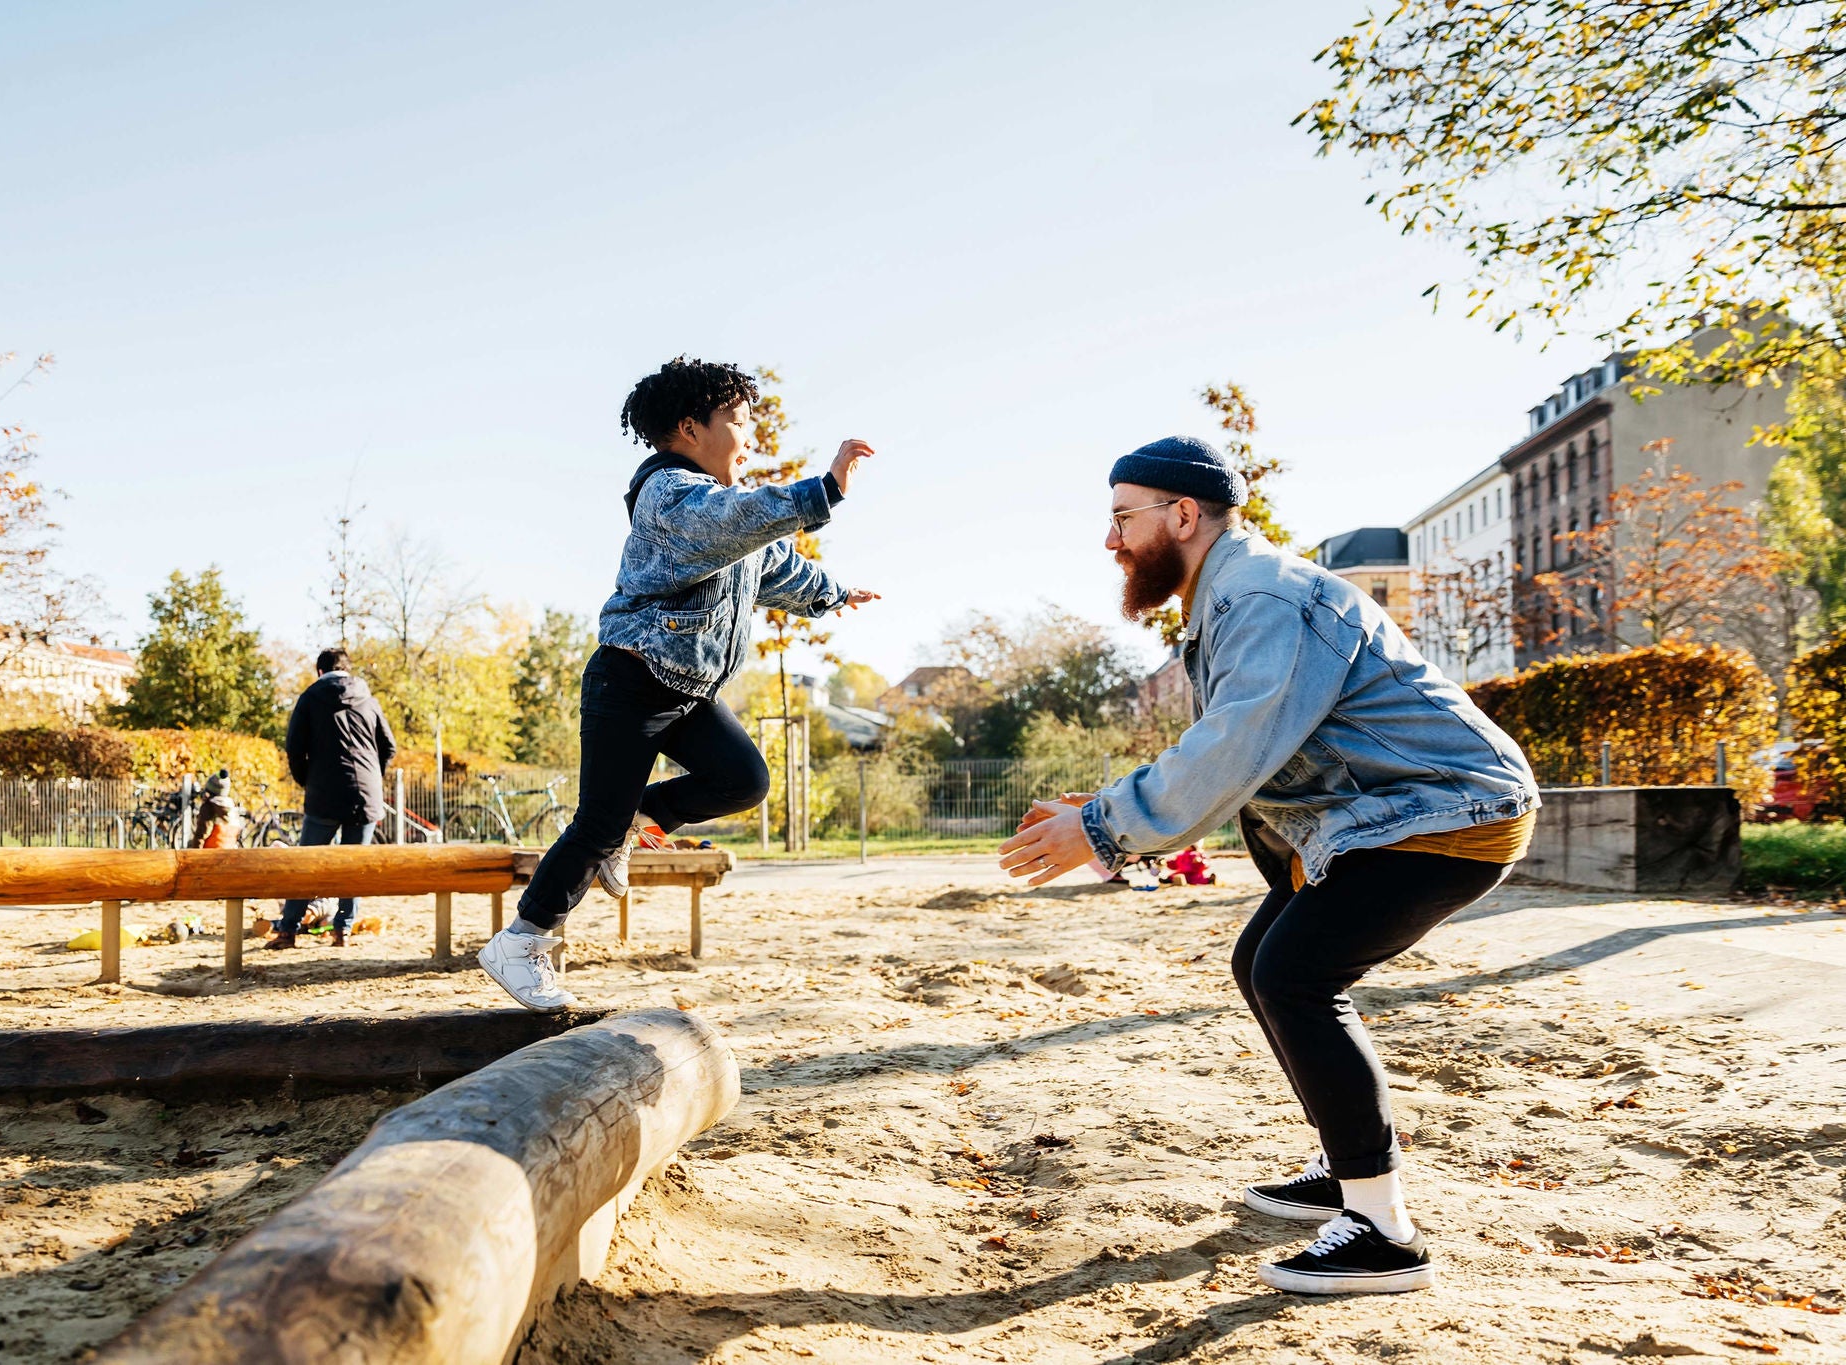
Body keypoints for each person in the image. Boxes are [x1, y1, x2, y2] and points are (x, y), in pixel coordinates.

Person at [996, 435, 1539, 1296]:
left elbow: (1234, 745)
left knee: (1295, 974)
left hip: (1447, 812)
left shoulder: (1259, 595)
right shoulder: (1228, 597)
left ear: (1182, 515)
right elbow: (1260, 761)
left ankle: (1384, 1233)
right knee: (1265, 961)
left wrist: (1100, 827)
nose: (1110, 542)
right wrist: (1101, 819)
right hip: (1387, 817)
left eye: (1121, 519)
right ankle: (1346, 1167)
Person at [480, 357, 882, 1012]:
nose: (748, 438)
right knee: (596, 823)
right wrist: (824, 489)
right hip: (631, 681)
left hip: (688, 690)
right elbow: (740, 520)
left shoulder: (723, 513)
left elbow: (776, 565)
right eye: (738, 422)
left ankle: (647, 817)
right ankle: (522, 939)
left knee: (745, 779)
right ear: (691, 429)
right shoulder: (670, 495)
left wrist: (835, 593)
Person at [275, 648, 396, 949]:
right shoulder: (368, 699)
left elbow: (293, 747)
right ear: (348, 669)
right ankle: (342, 930)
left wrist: (307, 781)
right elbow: (389, 746)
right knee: (354, 867)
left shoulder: (310, 698)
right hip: (366, 795)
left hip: (324, 793)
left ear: (319, 671)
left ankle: (289, 930)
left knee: (307, 863)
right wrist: (372, 778)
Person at [190, 770, 242, 849]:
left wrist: (194, 855)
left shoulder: (209, 807)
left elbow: (201, 834)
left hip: (210, 854)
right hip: (229, 853)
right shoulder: (232, 807)